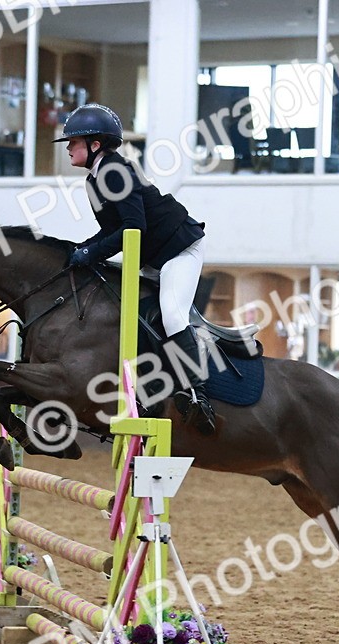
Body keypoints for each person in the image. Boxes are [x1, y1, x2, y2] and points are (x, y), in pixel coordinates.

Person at [57, 103, 215, 434]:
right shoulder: (95, 180)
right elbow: (110, 231)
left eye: (73, 141)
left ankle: (199, 395)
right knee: (137, 319)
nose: (68, 147)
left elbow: (134, 227)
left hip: (179, 250)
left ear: (95, 144)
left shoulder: (116, 171)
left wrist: (93, 253)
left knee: (173, 316)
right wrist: (81, 249)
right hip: (153, 257)